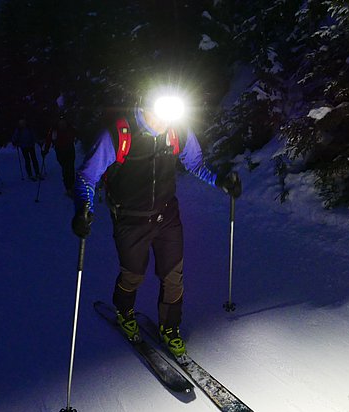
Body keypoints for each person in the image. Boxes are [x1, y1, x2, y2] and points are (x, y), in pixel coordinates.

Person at [71, 96, 241, 358]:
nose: (164, 120)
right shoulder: (119, 134)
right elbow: (87, 175)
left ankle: (170, 329)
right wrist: (84, 207)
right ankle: (125, 312)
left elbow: (194, 163)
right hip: (130, 219)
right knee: (133, 275)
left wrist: (220, 181)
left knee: (173, 276)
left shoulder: (177, 131)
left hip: (166, 216)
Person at [42, 116, 77, 196]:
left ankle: (71, 186)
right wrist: (46, 150)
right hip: (60, 151)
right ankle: (68, 188)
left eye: (63, 122)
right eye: (60, 122)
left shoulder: (70, 128)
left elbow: (76, 134)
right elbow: (49, 140)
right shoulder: (54, 131)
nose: (62, 124)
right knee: (65, 169)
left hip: (70, 150)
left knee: (70, 168)